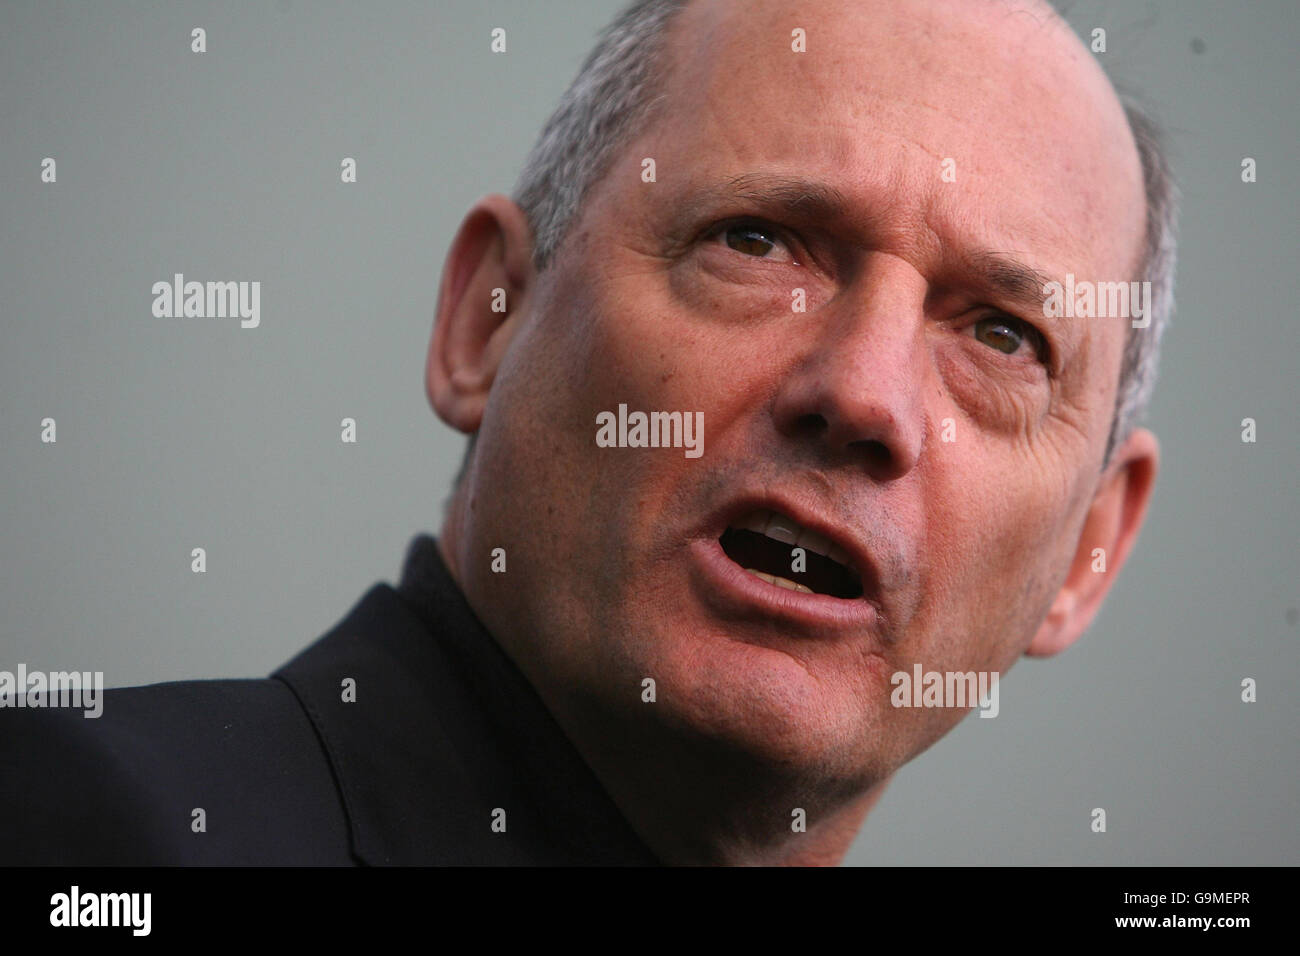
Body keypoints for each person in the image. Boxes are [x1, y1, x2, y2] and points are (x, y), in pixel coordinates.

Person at [0, 0, 1176, 866]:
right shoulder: (87, 829)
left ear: (1089, 550)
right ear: (485, 319)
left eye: (1003, 335)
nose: (865, 395)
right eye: (758, 242)